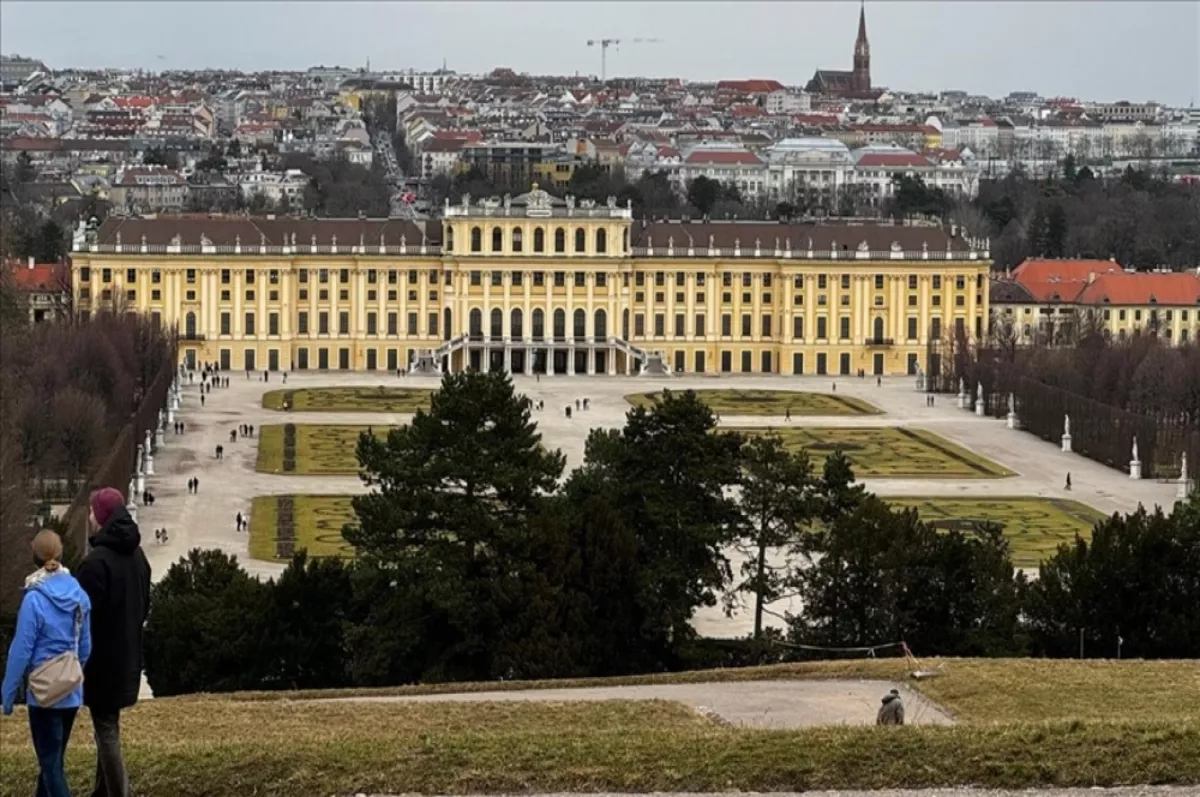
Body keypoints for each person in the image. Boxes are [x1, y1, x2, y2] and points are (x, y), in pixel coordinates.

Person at [2, 530, 93, 797]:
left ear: (35, 557)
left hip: (43, 693)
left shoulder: (34, 599)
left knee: (51, 765)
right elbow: (86, 646)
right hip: (71, 691)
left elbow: (20, 651)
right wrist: (73, 675)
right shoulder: (79, 595)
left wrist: (8, 694)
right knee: (53, 761)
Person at [78, 487, 152, 797]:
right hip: (128, 654)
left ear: (103, 517)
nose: (90, 517)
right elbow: (144, 604)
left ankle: (119, 793)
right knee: (107, 725)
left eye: (93, 512)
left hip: (102, 659)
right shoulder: (137, 554)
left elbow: (82, 619)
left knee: (106, 729)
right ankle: (102, 791)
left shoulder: (95, 563)